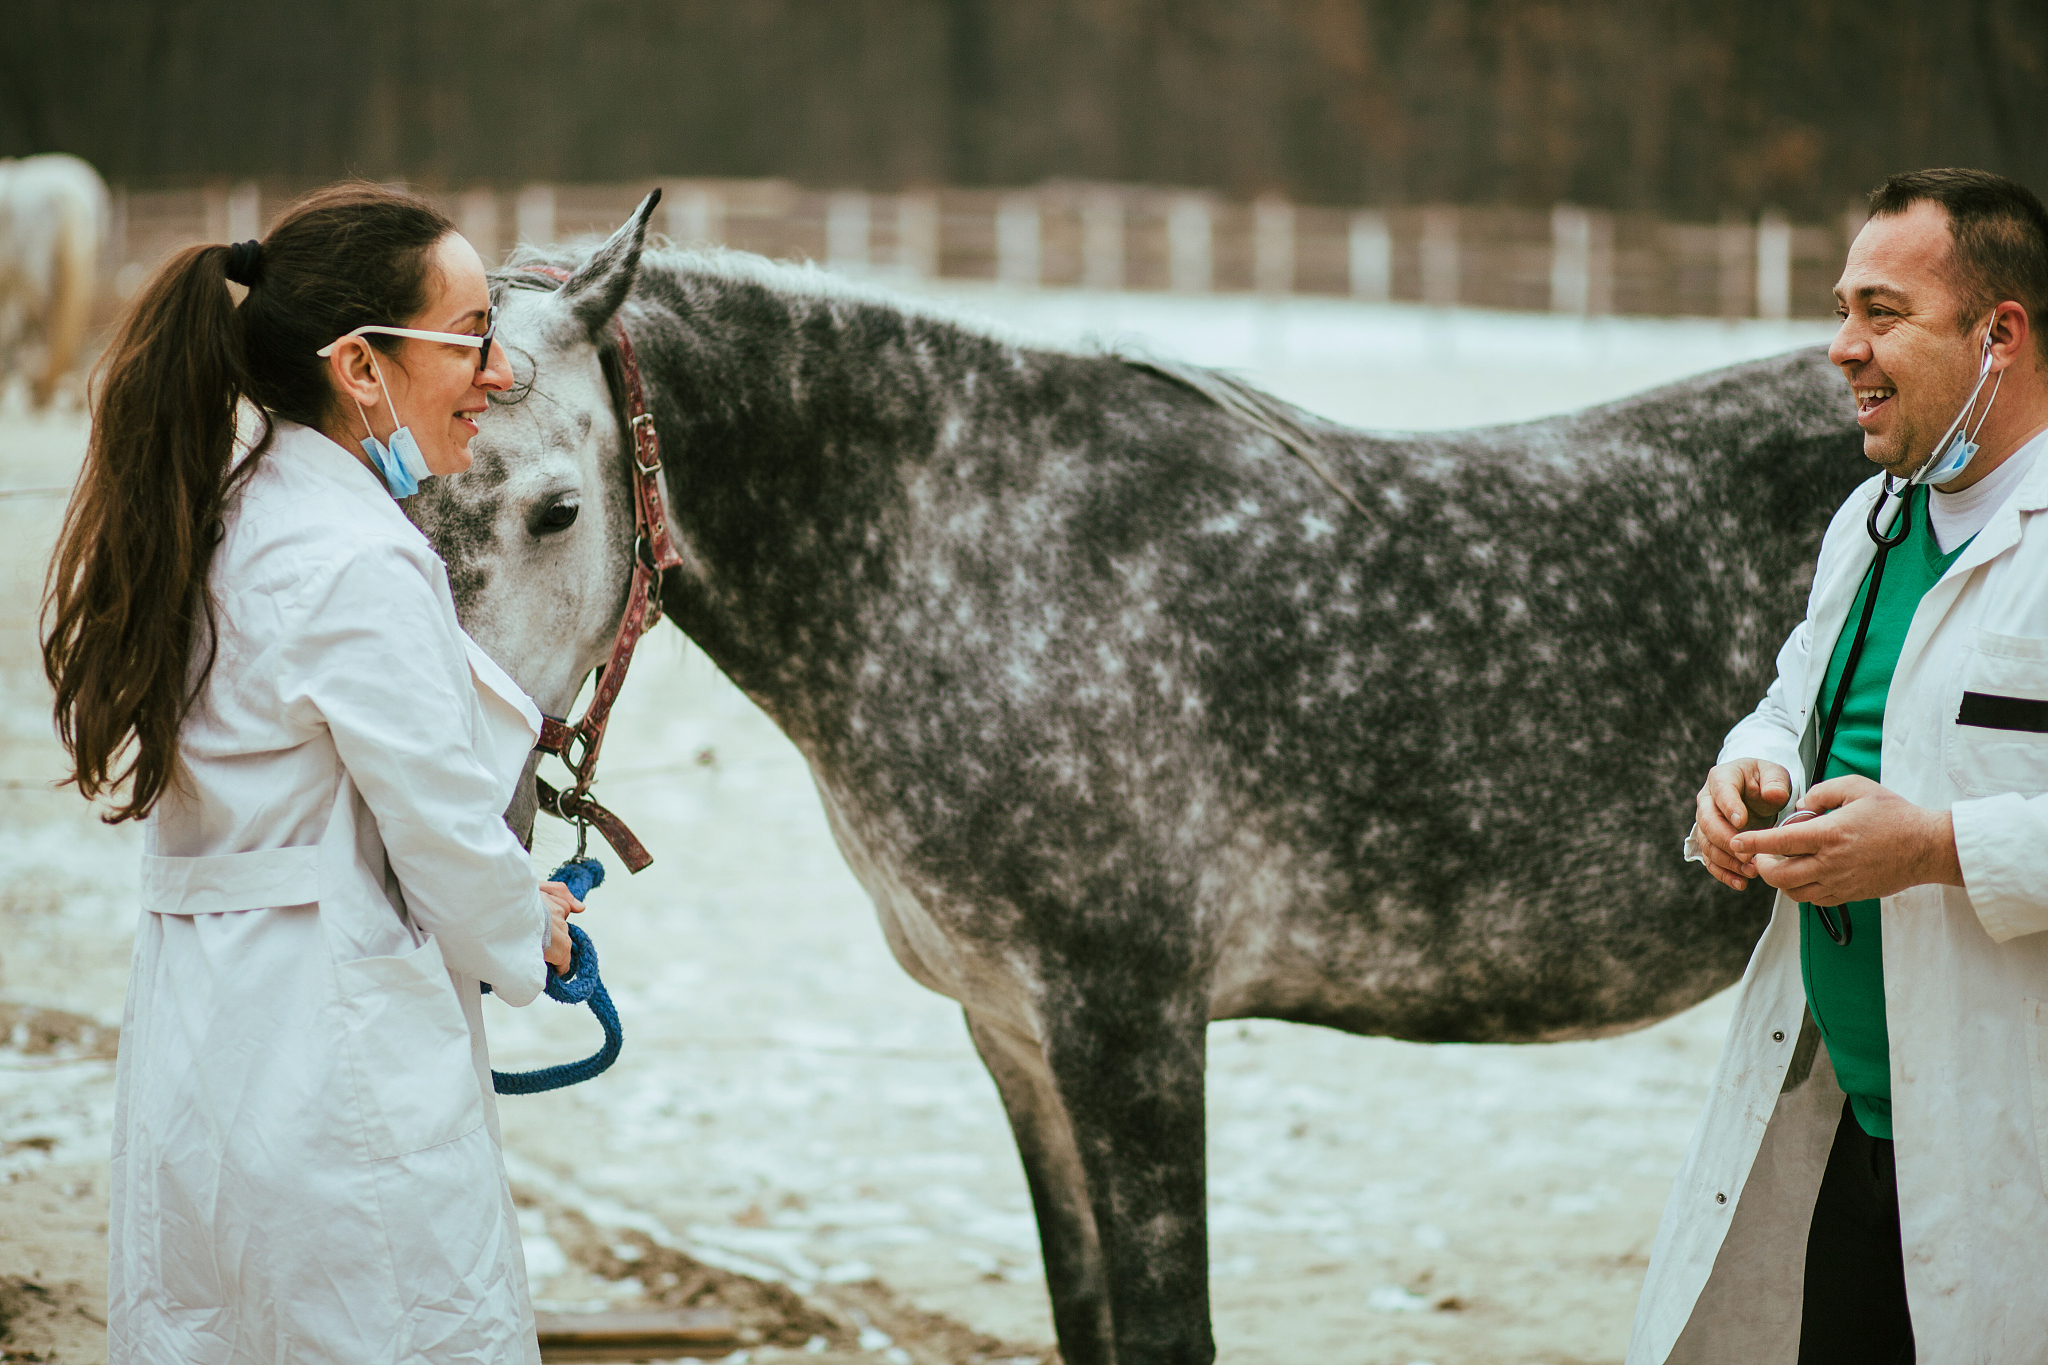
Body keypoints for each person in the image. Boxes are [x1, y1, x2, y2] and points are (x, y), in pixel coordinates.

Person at [41, 182, 584, 1364]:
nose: (498, 372)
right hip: (333, 1065)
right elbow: (441, 830)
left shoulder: (233, 515)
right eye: (472, 335)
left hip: (211, 1044)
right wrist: (524, 931)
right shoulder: (350, 561)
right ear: (361, 367)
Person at [1626, 168, 2048, 1364]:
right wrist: (1745, 770)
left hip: (2009, 1141)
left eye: (1879, 312)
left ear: (1995, 336)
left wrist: (1930, 849)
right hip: (1861, 1131)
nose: (1838, 348)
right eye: (1839, 309)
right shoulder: (1869, 520)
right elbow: (1792, 698)